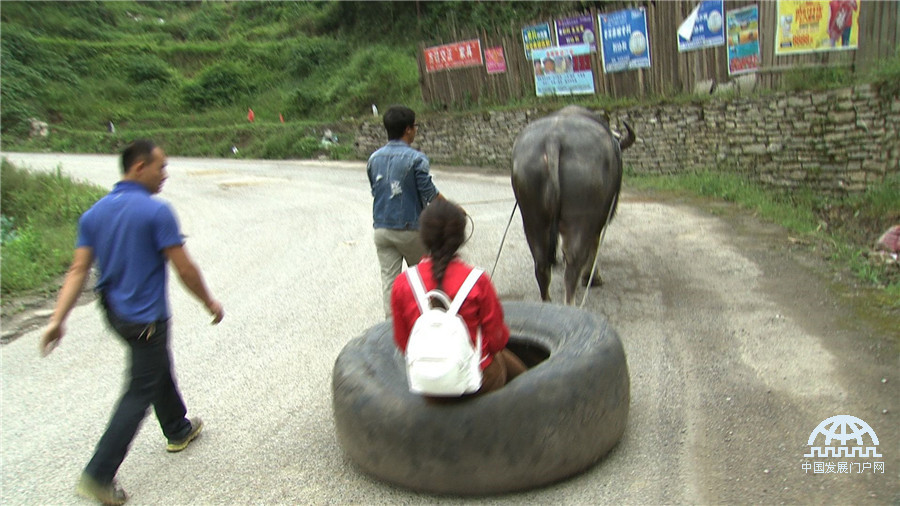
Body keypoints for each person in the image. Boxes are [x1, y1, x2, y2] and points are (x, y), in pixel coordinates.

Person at [40, 139, 225, 505]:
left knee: (153, 366)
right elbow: (184, 267)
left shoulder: (93, 214)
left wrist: (57, 319)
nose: (165, 175)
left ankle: (177, 427)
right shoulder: (156, 212)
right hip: (146, 320)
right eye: (161, 167)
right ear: (139, 167)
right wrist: (209, 302)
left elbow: (79, 269)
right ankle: (98, 476)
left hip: (115, 314)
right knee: (139, 389)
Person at [390, 198, 526, 398]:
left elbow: (403, 342)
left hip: (428, 386)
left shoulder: (403, 283)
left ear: (424, 237)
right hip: (477, 381)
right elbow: (498, 339)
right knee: (504, 362)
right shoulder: (477, 280)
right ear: (461, 238)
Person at [367, 105, 442, 318]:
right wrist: (452, 208)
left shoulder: (373, 159)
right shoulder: (416, 159)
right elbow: (429, 194)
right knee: (425, 279)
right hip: (411, 230)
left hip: (381, 229)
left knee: (389, 283)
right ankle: (431, 322)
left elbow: (377, 190)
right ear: (408, 130)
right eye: (415, 127)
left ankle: (391, 328)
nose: (415, 131)